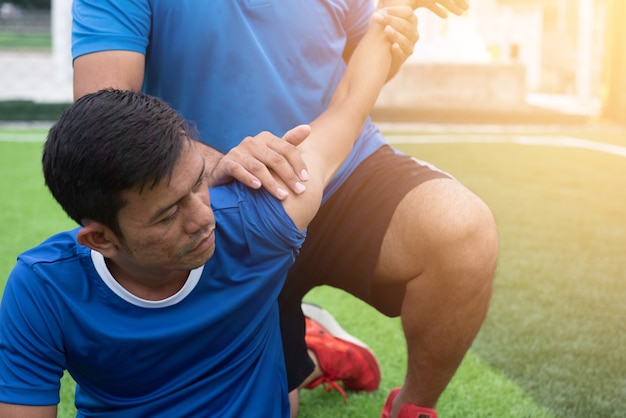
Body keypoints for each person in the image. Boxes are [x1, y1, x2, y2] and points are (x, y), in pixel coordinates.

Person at [71, 1, 498, 417]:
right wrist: (218, 164)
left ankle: (412, 407)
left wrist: (392, 38)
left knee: (462, 228)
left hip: (334, 169)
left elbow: (353, 85)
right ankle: (306, 349)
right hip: (216, 196)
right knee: (271, 406)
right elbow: (102, 110)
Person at [0, 9, 397, 417]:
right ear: (101, 239)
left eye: (198, 184)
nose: (204, 219)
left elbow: (348, 108)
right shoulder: (42, 289)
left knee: (287, 399)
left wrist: (388, 22)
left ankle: (303, 348)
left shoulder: (253, 223)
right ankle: (307, 347)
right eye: (168, 214)